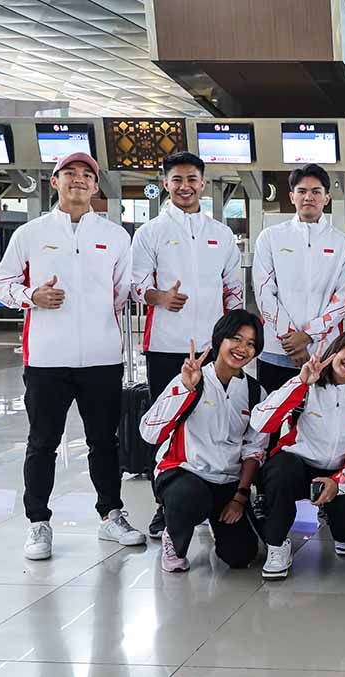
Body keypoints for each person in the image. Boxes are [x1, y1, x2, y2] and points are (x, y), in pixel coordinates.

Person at [0, 151, 145, 560]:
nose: (78, 180)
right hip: (46, 358)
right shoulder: (30, 233)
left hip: (101, 358)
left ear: (96, 187)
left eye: (86, 175)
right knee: (42, 442)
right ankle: (38, 522)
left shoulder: (115, 236)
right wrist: (32, 296)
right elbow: (0, 284)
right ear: (54, 182)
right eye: (69, 173)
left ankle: (111, 514)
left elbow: (121, 293)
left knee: (104, 442)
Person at [130, 150, 245, 540]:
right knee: (165, 425)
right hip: (167, 345)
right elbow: (134, 285)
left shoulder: (221, 233)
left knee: (215, 422)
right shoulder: (150, 233)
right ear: (166, 184)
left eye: (192, 179)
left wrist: (236, 337)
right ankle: (165, 504)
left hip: (215, 349)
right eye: (177, 179)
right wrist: (159, 297)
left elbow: (234, 290)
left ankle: (219, 493)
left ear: (202, 183)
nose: (185, 186)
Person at [139, 310, 267, 572]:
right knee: (190, 497)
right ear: (219, 340)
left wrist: (240, 498)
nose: (242, 348)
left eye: (251, 343)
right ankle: (173, 536)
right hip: (184, 473)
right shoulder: (192, 379)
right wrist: (184, 389)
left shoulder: (255, 392)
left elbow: (255, 450)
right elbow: (149, 432)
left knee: (241, 556)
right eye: (236, 338)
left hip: (226, 482)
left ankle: (213, 517)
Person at [249, 329, 345, 580]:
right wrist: (300, 384)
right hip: (298, 466)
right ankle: (277, 545)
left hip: (339, 472)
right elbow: (260, 422)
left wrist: (337, 482)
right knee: (281, 471)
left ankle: (341, 530)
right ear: (335, 350)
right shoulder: (306, 384)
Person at [252, 163, 345, 395]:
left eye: (316, 191)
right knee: (273, 422)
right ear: (292, 196)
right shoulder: (270, 238)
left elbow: (343, 298)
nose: (308, 197)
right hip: (277, 350)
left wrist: (308, 336)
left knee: (319, 422)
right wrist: (291, 341)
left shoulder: (343, 244)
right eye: (302, 191)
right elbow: (263, 292)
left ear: (327, 197)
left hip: (324, 351)